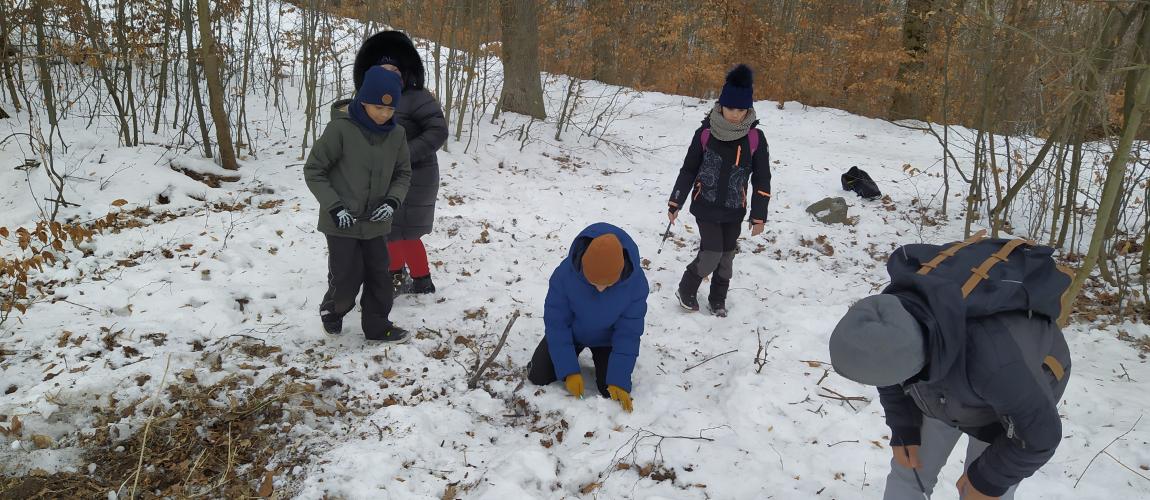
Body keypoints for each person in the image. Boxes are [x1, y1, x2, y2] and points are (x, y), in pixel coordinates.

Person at [829, 235, 1074, 499]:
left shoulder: (995, 359)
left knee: (980, 491)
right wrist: (904, 427)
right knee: (908, 471)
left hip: (1011, 399)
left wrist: (988, 480)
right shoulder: (892, 324)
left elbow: (1040, 436)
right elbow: (885, 372)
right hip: (945, 388)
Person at [304, 67, 412, 342]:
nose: (384, 114)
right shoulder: (340, 129)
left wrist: (392, 200)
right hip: (342, 221)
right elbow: (314, 170)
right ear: (363, 100)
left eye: (390, 110)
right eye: (378, 107)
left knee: (379, 276)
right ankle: (333, 310)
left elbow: (403, 173)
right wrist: (335, 206)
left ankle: (377, 327)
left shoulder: (397, 134)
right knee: (347, 280)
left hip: (376, 223)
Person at [666, 64, 771, 317]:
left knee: (726, 257)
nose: (735, 114)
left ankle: (718, 299)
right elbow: (689, 169)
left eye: (741, 109)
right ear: (720, 105)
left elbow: (762, 178)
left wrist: (759, 215)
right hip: (706, 205)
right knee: (712, 254)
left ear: (748, 109)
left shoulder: (755, 138)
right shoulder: (705, 133)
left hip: (734, 209)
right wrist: (675, 201)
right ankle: (686, 288)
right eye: (730, 108)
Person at [354, 31, 449, 295]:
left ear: (405, 71)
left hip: (416, 176)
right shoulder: (372, 101)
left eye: (394, 69)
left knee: (405, 231)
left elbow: (438, 131)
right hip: (385, 177)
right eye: (382, 69)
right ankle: (397, 275)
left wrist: (403, 153)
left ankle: (421, 281)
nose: (389, 74)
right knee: (390, 229)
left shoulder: (417, 97)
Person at [526, 223, 650, 413]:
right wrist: (568, 370)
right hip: (572, 334)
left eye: (607, 285)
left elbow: (628, 334)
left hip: (606, 341)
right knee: (539, 375)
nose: (600, 289)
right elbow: (557, 324)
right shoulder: (565, 275)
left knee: (611, 392)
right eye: (593, 282)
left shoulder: (635, 284)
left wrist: (618, 379)